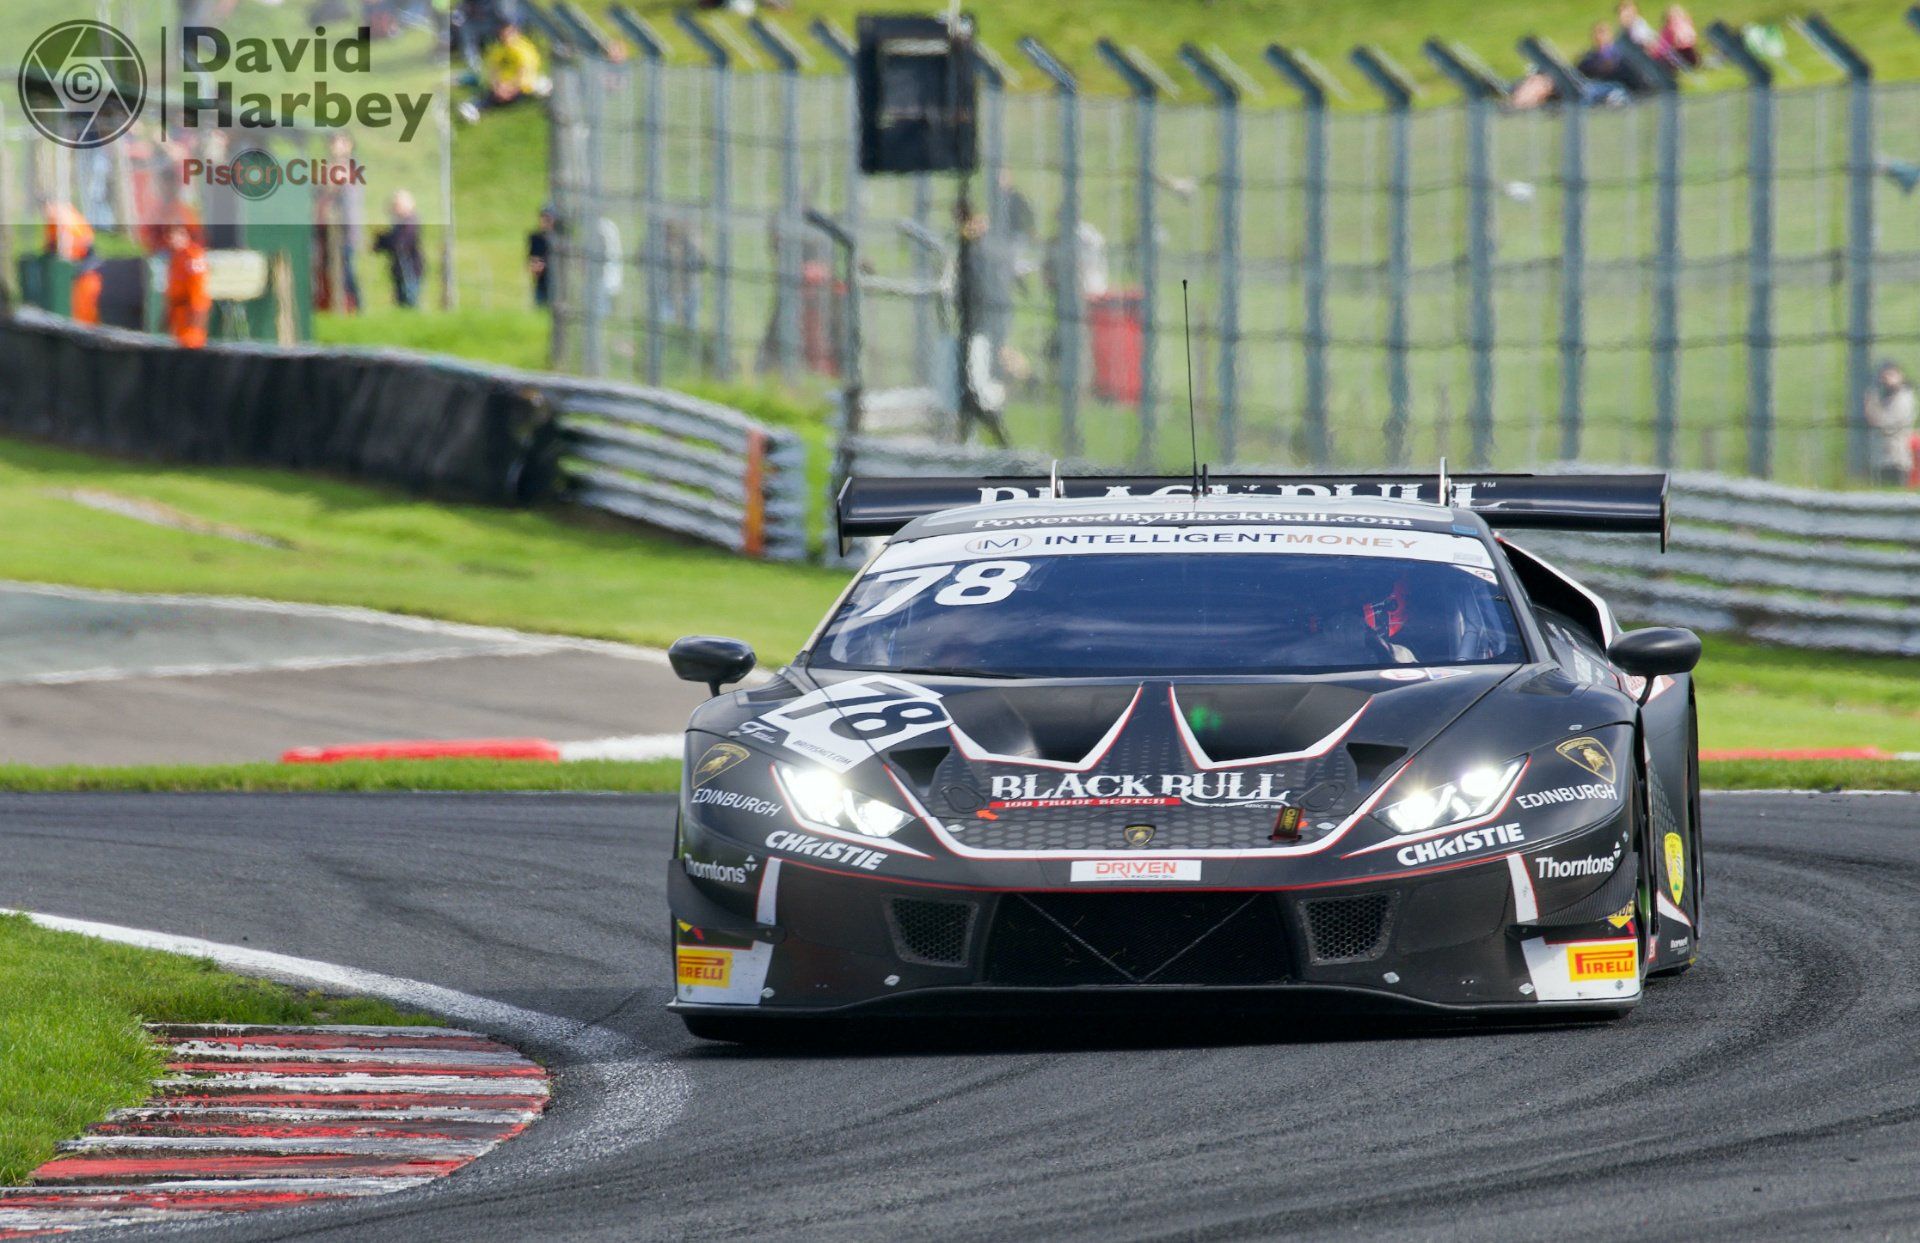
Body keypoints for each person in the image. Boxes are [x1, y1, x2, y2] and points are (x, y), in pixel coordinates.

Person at [457, 21, 545, 122]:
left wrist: (510, 89)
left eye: (509, 35)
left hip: (521, 87)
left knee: (500, 99)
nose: (506, 39)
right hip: (503, 85)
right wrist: (497, 86)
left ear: (517, 33)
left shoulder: (524, 51)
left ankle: (475, 108)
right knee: (491, 95)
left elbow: (524, 74)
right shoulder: (499, 49)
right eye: (504, 36)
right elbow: (493, 69)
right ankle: (474, 106)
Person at [1864, 361, 1917, 487]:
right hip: (1878, 459)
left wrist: (1872, 405)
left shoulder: (1905, 398)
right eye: (1884, 376)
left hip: (1897, 459)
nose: (1887, 379)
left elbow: (1887, 425)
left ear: (1900, 376)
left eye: (1891, 375)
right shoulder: (1881, 397)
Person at [371, 190, 425, 308]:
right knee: (401, 301)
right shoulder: (399, 223)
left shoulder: (410, 222)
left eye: (396, 206)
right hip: (400, 269)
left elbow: (399, 243)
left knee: (410, 300)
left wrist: (382, 240)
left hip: (410, 268)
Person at [164, 223, 211, 348]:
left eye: (174, 235)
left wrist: (196, 318)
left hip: (190, 315)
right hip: (178, 316)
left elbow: (198, 290)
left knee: (190, 346)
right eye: (169, 236)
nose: (171, 239)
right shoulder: (176, 257)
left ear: (185, 235)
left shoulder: (193, 256)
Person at [527, 203, 557, 308]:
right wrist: (537, 266)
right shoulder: (536, 237)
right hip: (543, 282)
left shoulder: (560, 238)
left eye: (548, 218)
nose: (546, 221)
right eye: (543, 217)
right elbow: (534, 261)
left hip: (559, 282)